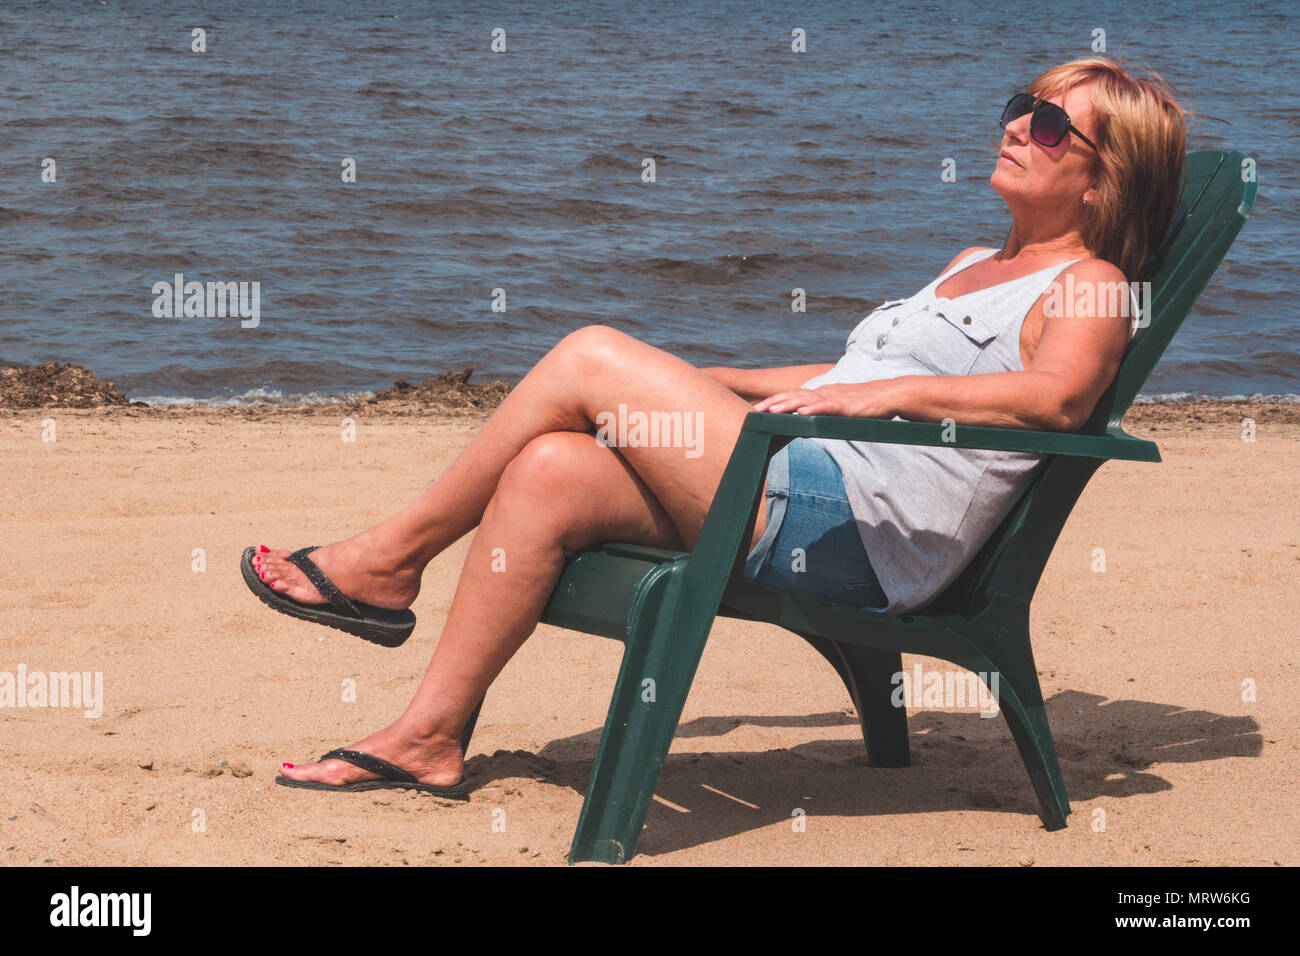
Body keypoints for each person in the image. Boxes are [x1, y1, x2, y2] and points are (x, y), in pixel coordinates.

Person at [245, 56, 1187, 795]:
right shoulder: (973, 260)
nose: (1020, 124)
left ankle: (389, 560)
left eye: (1053, 124)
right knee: (549, 466)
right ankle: (429, 738)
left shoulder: (1090, 286)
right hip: (796, 475)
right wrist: (716, 381)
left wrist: (883, 400)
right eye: (1024, 103)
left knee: (588, 351)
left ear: (1102, 183)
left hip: (856, 534)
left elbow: (1056, 401)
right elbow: (847, 376)